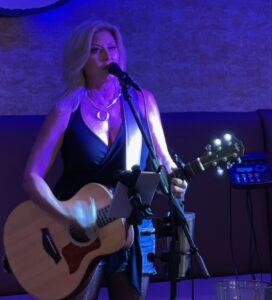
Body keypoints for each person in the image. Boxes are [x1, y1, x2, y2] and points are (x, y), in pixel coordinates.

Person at [23, 20, 188, 300]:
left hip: (130, 226)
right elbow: (31, 177)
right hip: (75, 232)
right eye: (95, 50)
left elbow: (164, 161)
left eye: (112, 48)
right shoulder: (66, 109)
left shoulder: (142, 102)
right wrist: (68, 216)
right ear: (80, 59)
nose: (106, 56)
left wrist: (176, 179)